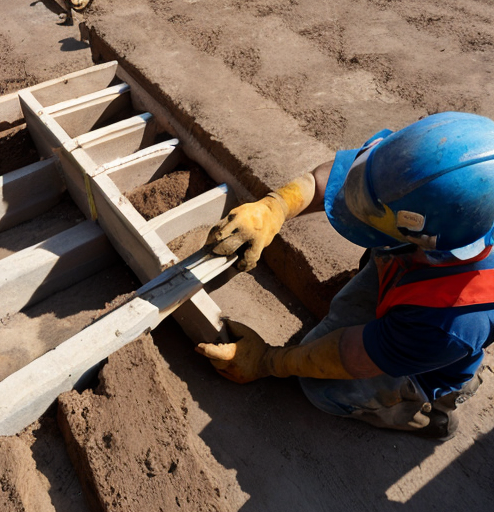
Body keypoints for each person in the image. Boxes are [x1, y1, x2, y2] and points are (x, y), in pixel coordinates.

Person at [195, 111, 494, 440]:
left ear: (424, 240)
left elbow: (354, 357)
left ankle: (423, 410)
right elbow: (342, 178)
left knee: (321, 388)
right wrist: (275, 206)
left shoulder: (451, 320)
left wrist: (269, 361)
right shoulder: (431, 170)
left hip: (433, 345)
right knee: (373, 274)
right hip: (420, 288)